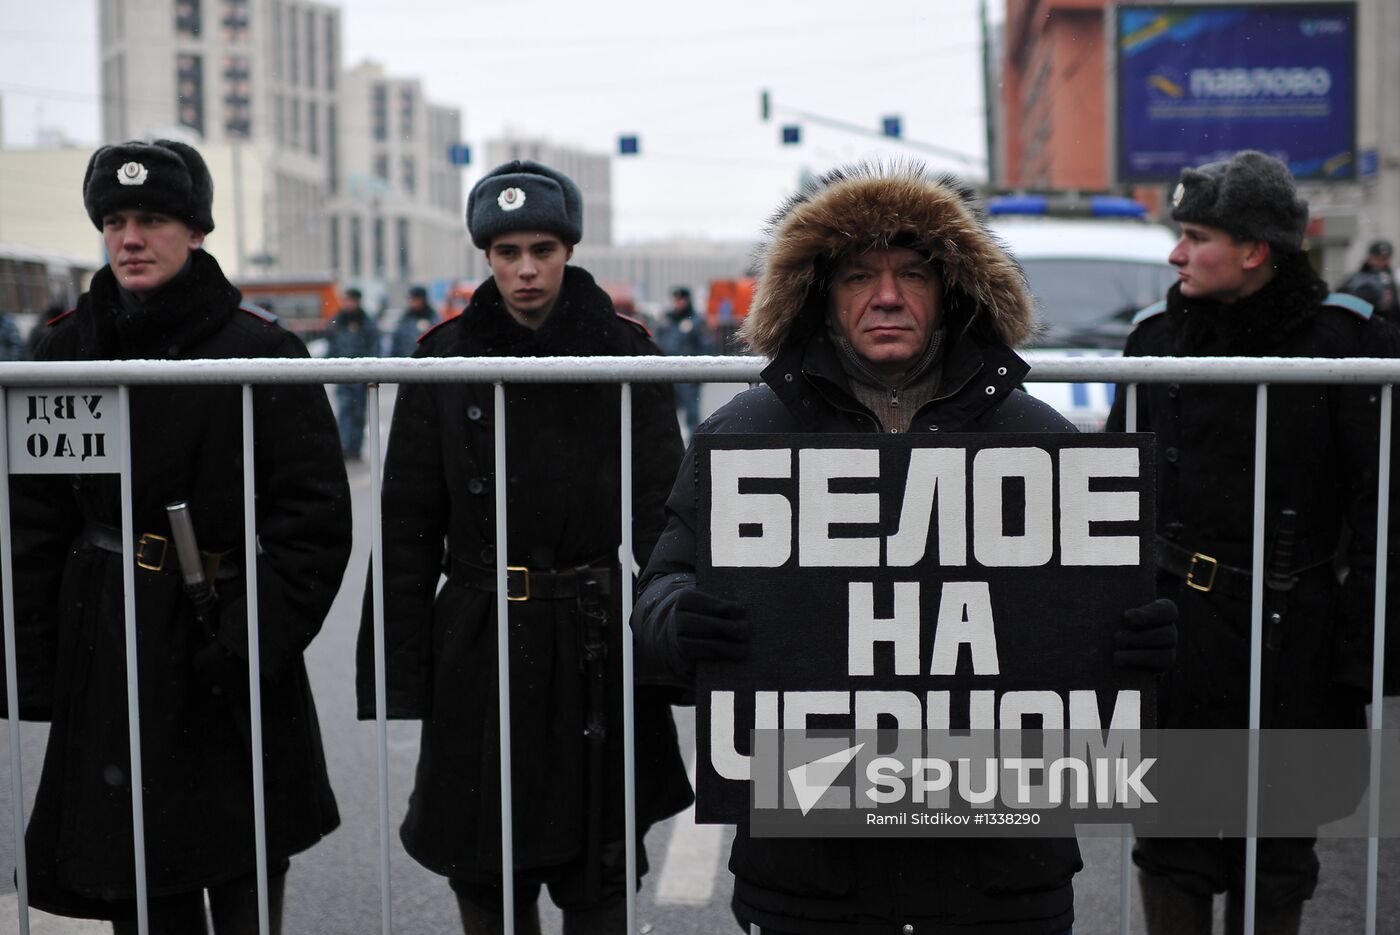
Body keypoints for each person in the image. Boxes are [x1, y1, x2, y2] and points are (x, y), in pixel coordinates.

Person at [631, 162, 1178, 935]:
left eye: (912, 274)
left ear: (950, 292)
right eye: (859, 275)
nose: (886, 296)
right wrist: (676, 617)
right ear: (821, 300)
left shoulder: (1042, 440)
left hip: (997, 880)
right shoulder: (743, 438)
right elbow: (658, 595)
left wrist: (1143, 634)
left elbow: (1126, 605)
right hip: (811, 880)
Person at [8, 139, 352, 933]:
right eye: (116, 219)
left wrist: (246, 639)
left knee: (244, 877)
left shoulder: (259, 347)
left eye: (153, 219)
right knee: (133, 883)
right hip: (110, 647)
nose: (130, 238)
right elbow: (32, 521)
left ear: (196, 231)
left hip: (223, 639)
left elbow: (314, 522)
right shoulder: (63, 348)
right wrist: (35, 666)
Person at [355, 160, 693, 935]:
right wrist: (398, 672)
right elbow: (408, 522)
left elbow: (664, 515)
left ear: (568, 249)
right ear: (486, 256)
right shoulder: (444, 356)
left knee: (600, 871)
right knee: (483, 870)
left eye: (542, 247)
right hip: (478, 634)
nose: (526, 268)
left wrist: (673, 653)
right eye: (507, 251)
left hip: (594, 635)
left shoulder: (624, 352)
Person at [1105, 150, 1385, 935]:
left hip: (1295, 635)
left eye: (1196, 236)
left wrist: (1363, 661)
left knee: (1276, 856)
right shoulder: (1154, 338)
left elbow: (1380, 512)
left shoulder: (1346, 344)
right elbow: (1119, 502)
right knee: (1170, 847)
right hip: (1177, 631)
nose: (1175, 253)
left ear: (1255, 249)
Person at [325, 286, 379, 460]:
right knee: (344, 410)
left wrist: (370, 368)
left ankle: (354, 447)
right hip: (342, 373)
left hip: (360, 374)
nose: (348, 304)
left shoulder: (365, 322)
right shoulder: (338, 320)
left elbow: (373, 346)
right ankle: (345, 447)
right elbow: (331, 344)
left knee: (357, 412)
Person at [654, 286, 711, 435]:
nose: (677, 303)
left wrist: (700, 370)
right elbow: (658, 343)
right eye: (676, 300)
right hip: (668, 373)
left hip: (689, 374)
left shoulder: (696, 321)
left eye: (680, 300)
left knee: (692, 414)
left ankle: (694, 445)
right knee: (666, 413)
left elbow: (704, 346)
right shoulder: (667, 319)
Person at [1338, 239, 1398, 320]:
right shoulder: (1355, 278)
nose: (1380, 263)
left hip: (1382, 324)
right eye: (1377, 258)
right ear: (1370, 257)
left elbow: (1393, 308)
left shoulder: (1391, 280)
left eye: (1384, 259)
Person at [389, 284, 439, 356]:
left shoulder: (433, 319)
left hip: (428, 364)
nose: (411, 302)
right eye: (410, 299)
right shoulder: (404, 319)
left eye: (415, 299)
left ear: (423, 300)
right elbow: (396, 344)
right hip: (406, 363)